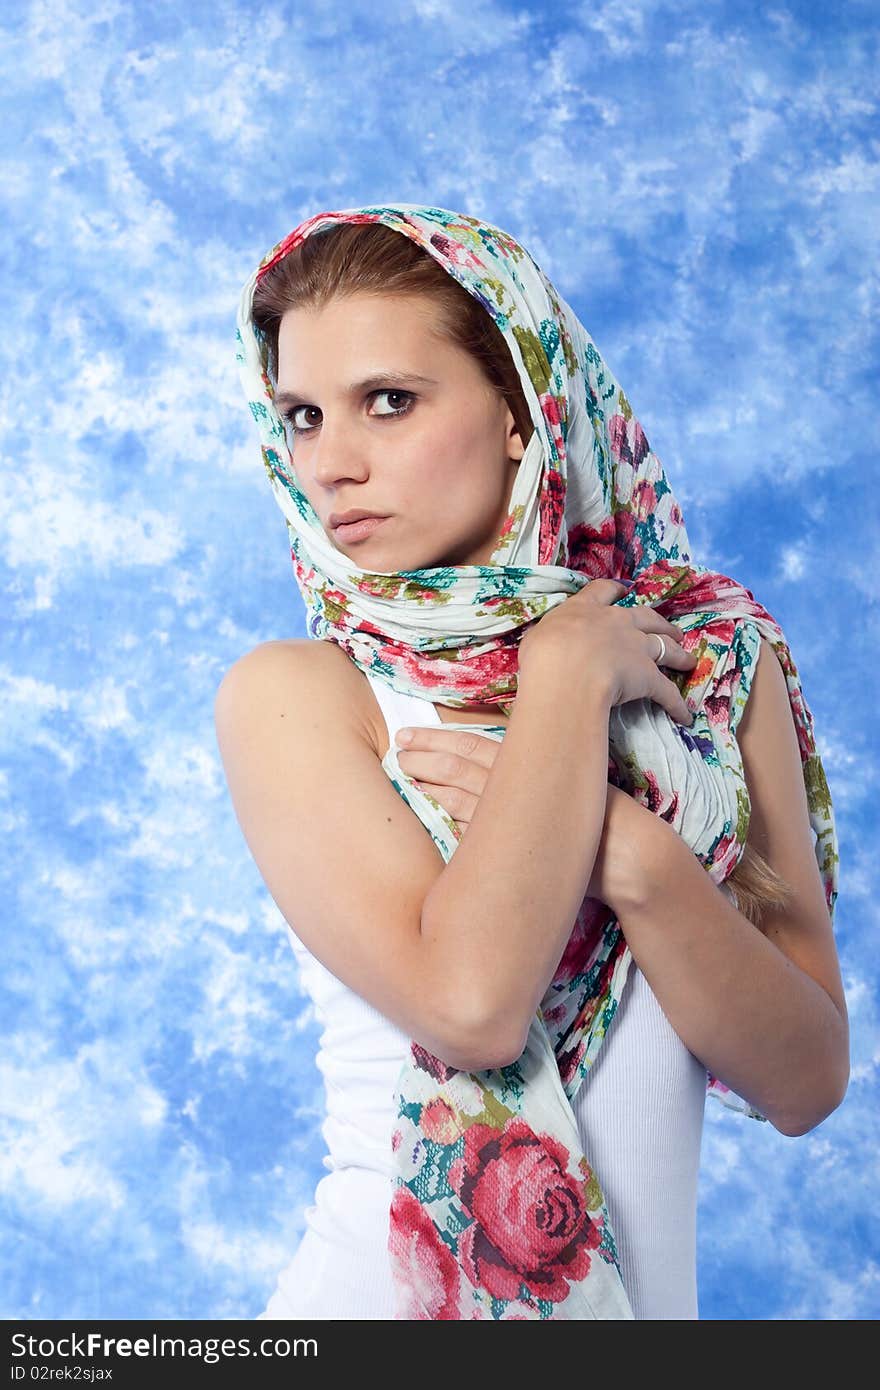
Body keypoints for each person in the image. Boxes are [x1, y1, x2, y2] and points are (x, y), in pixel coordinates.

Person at [216, 205, 848, 1320]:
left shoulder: (707, 658)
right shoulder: (301, 693)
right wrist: (562, 679)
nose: (333, 462)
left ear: (521, 410)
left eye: (389, 400)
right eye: (302, 415)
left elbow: (803, 1083)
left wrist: (639, 860)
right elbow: (470, 1008)